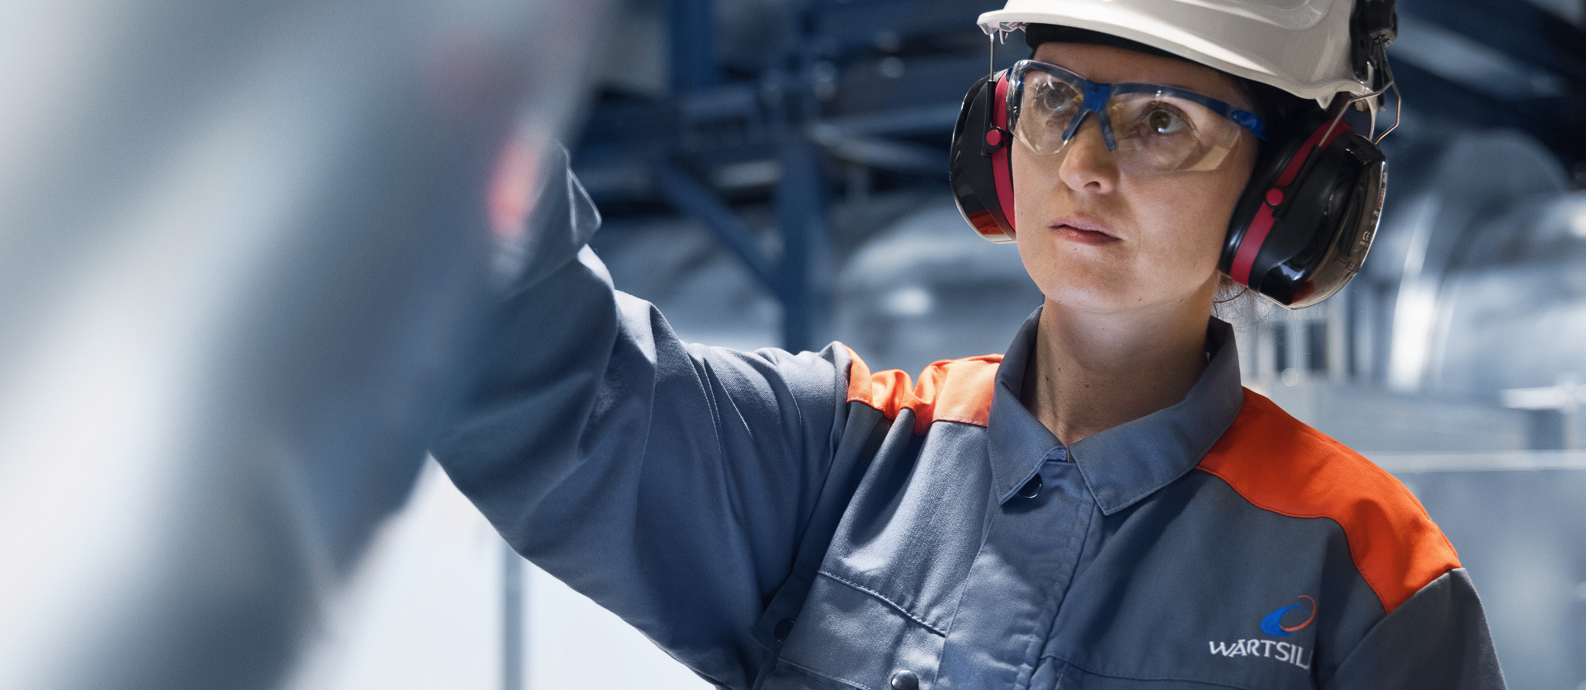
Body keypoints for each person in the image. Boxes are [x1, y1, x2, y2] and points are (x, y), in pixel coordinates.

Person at [432, 1, 1506, 688]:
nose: (1085, 162)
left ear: (1284, 193)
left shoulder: (1370, 575)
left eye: (1163, 121)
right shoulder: (845, 457)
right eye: (1055, 101)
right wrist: (436, 91)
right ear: (1001, 132)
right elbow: (554, 392)